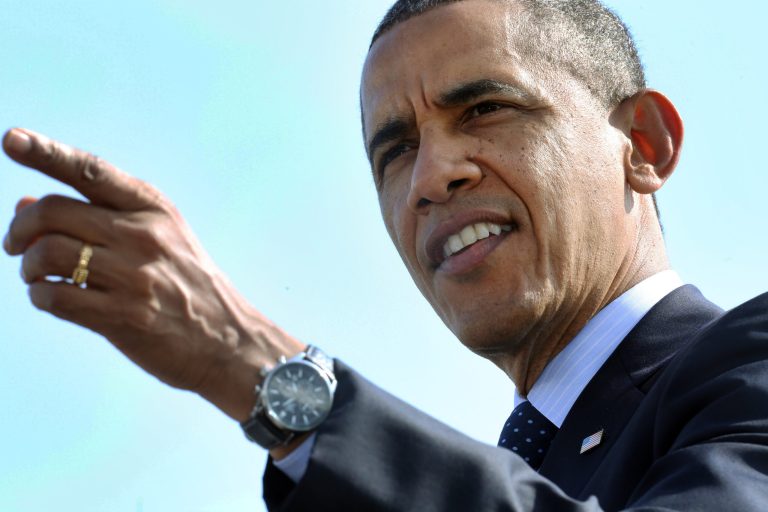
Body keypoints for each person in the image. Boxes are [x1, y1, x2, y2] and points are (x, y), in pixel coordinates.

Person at [3, 0, 768, 510]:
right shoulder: (487, 468)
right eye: (396, 149)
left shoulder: (749, 370)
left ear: (643, 145)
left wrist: (248, 361)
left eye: (486, 108)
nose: (432, 177)